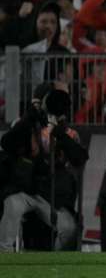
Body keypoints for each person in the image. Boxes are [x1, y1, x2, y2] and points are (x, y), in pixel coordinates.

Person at [0, 87, 87, 252]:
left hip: (50, 195)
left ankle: (53, 264)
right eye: (37, 105)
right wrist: (29, 119)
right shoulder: (24, 124)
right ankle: (4, 256)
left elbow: (79, 158)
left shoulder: (67, 131)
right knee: (12, 205)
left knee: (68, 228)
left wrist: (59, 132)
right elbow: (7, 143)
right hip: (25, 191)